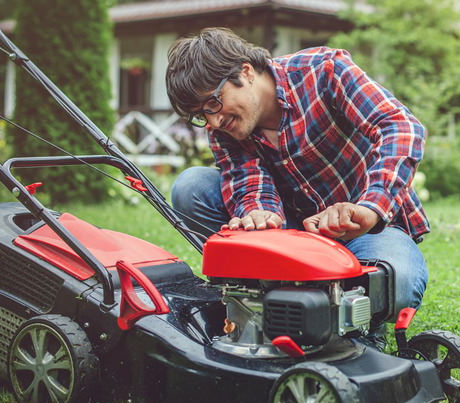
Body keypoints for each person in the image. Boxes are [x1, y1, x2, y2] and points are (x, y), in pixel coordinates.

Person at [165, 28, 429, 350]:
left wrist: (370, 206)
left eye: (213, 103)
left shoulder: (324, 71)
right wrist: (257, 214)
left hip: (366, 231)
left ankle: (357, 320)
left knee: (398, 283)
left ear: (245, 72)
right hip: (291, 235)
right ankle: (258, 295)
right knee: (191, 185)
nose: (214, 122)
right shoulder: (225, 127)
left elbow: (399, 126)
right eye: (200, 115)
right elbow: (247, 178)